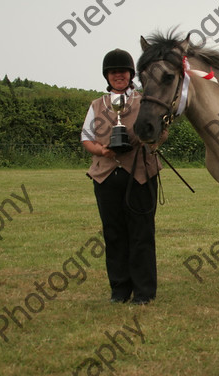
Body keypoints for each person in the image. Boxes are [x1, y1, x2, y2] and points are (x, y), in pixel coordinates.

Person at [81, 48, 165, 305]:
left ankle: (143, 291)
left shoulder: (144, 101)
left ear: (131, 75)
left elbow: (160, 133)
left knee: (141, 233)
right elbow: (87, 138)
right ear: (107, 76)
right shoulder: (97, 105)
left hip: (140, 174)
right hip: (106, 177)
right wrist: (103, 150)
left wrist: (153, 138)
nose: (119, 75)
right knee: (114, 234)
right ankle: (119, 289)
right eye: (114, 72)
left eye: (123, 71)